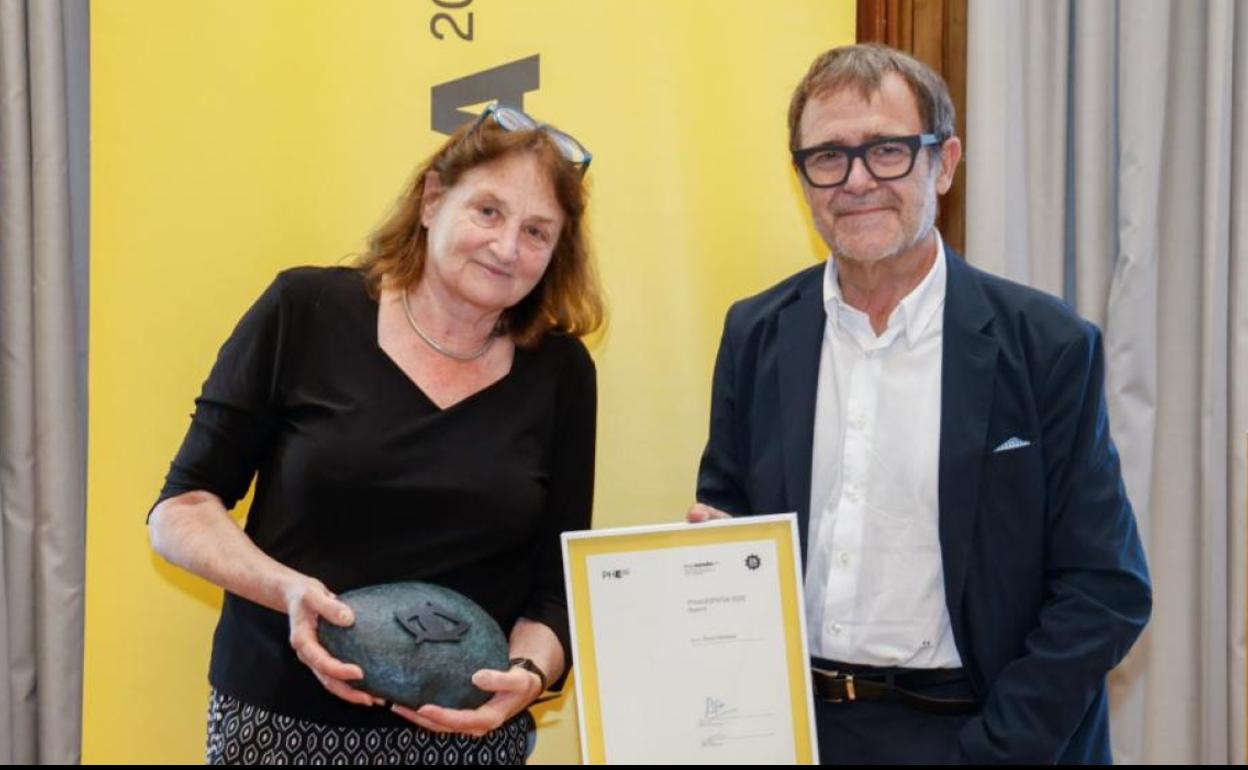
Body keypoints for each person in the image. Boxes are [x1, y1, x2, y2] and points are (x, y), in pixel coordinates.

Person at [688, 44, 1151, 763]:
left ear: (944, 163)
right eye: (829, 156)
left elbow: (1104, 588)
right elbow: (728, 521)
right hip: (798, 733)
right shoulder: (756, 333)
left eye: (888, 150)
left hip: (982, 733)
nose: (857, 180)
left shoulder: (1047, 345)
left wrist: (993, 751)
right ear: (801, 177)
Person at [147, 103, 602, 765]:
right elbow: (181, 510)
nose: (508, 248)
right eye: (488, 212)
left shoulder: (561, 372)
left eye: (537, 232)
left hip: (467, 740)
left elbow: (555, 589)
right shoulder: (304, 311)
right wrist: (288, 590)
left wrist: (528, 675)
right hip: (280, 725)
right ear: (432, 199)